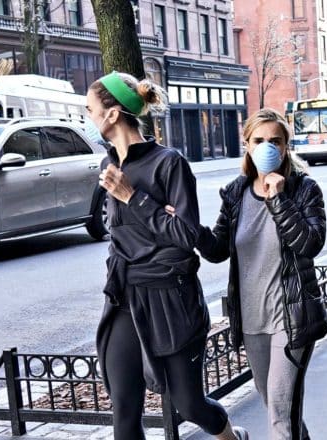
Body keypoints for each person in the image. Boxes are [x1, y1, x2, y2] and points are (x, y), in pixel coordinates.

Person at [91, 71, 248, 440]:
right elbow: (122, 234)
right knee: (124, 411)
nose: (89, 116)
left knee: (189, 404)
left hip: (172, 298)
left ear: (112, 114)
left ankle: (230, 436)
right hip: (126, 297)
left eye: (91, 109)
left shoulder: (169, 163)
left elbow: (184, 235)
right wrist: (154, 217)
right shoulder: (109, 167)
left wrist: (136, 199)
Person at [194, 108, 327, 440]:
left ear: (286, 147)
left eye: (275, 141)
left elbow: (310, 244)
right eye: (259, 140)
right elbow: (217, 250)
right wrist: (189, 228)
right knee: (277, 406)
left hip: (292, 319)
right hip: (252, 320)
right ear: (247, 144)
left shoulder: (304, 190)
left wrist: (279, 199)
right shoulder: (236, 194)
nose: (267, 147)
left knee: (281, 416)